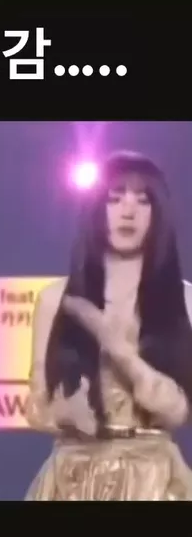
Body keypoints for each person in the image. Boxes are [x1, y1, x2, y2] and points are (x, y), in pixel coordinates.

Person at [25, 151, 192, 501]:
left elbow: (178, 412)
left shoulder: (185, 300)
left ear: (158, 213)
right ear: (95, 210)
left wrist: (116, 347)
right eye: (115, 199)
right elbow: (36, 405)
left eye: (142, 200)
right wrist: (63, 413)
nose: (128, 211)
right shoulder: (56, 299)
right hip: (72, 475)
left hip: (153, 478)